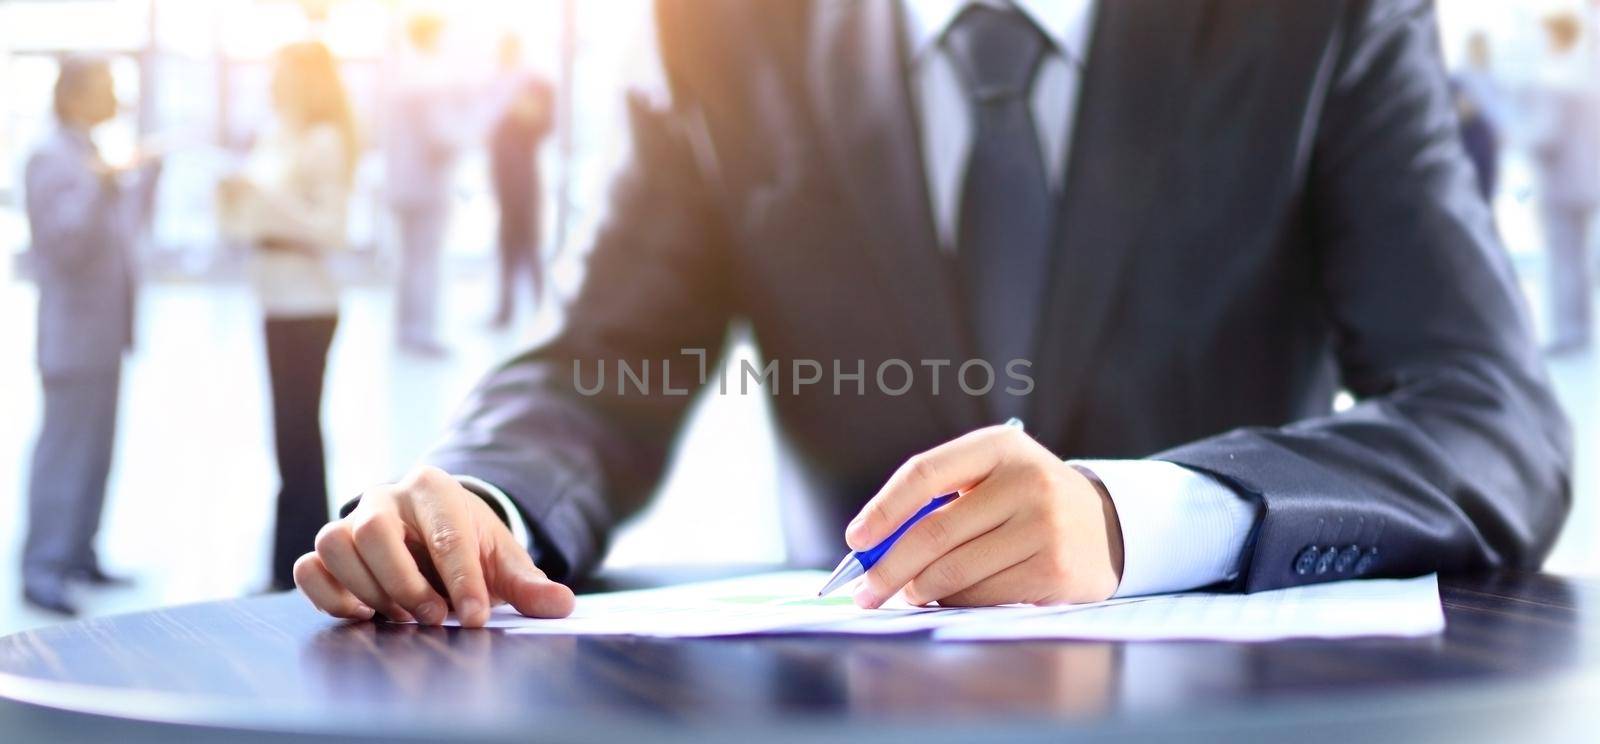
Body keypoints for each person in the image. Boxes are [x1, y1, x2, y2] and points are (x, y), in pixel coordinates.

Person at [294, 0, 1571, 628]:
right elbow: (600, 364)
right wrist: (480, 502)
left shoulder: (1316, 21)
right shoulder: (730, 35)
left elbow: (1493, 419)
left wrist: (1139, 520)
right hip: (851, 699)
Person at [22, 56, 162, 615]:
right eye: (106, 86)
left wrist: (141, 179)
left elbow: (123, 229)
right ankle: (43, 566)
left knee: (96, 450)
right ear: (76, 94)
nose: (115, 98)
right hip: (73, 332)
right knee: (64, 450)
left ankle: (80, 551)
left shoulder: (89, 152)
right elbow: (63, 242)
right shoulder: (49, 156)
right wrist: (101, 186)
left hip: (104, 330)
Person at [219, 41, 358, 591]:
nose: (273, 81)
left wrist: (262, 198)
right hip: (274, 298)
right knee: (286, 436)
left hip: (308, 304)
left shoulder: (325, 140)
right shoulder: (277, 134)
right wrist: (236, 200)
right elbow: (252, 217)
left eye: (283, 73)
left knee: (299, 436)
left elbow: (332, 229)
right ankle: (290, 564)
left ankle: (303, 566)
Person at [385, 13, 462, 356]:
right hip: (427, 184)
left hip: (401, 182)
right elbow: (441, 136)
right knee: (424, 261)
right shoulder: (431, 77)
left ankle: (405, 329)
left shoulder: (401, 73)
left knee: (408, 260)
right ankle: (421, 332)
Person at [1529, 11, 1600, 354]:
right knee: (1580, 259)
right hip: (1588, 180)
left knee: (1563, 259)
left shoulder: (1555, 75)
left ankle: (1568, 331)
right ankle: (1581, 327)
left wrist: (1517, 137)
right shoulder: (1588, 72)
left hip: (1559, 182)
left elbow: (1546, 136)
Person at [488, 37, 555, 328]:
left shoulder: (534, 85)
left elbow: (544, 124)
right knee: (507, 244)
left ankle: (544, 307)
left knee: (529, 244)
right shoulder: (498, 88)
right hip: (505, 179)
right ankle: (506, 309)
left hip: (524, 178)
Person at [1452, 33, 1502, 202]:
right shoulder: (1460, 77)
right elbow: (1461, 110)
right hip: (1470, 140)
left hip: (1488, 141)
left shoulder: (1491, 77)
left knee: (1487, 190)